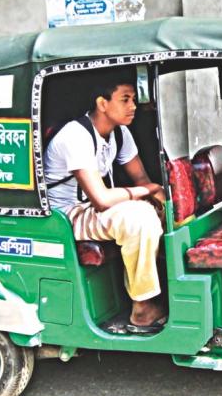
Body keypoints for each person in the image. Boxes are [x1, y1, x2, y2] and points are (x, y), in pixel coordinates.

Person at [44, 80, 167, 333]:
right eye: (125, 99)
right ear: (102, 103)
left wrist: (159, 197)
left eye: (133, 98)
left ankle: (164, 285)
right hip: (69, 215)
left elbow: (142, 180)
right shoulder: (75, 135)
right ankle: (142, 307)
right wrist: (147, 192)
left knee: (162, 207)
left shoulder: (120, 133)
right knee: (139, 218)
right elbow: (100, 199)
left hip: (94, 209)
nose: (133, 106)